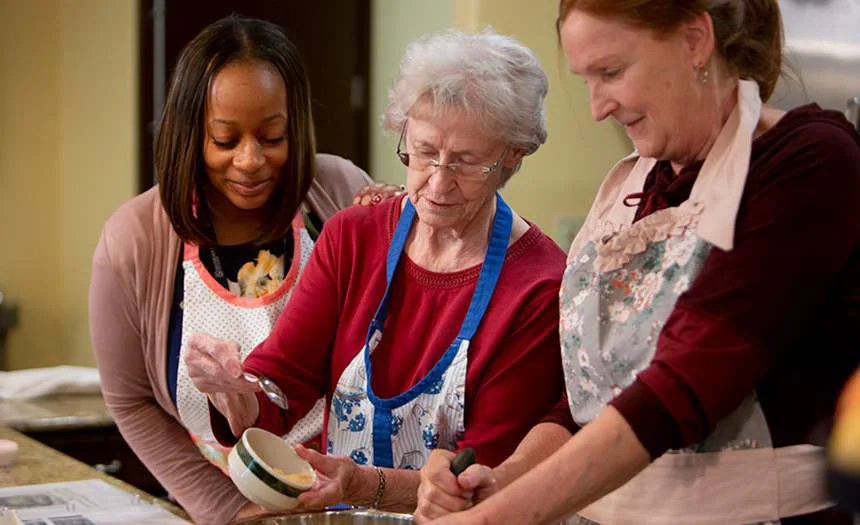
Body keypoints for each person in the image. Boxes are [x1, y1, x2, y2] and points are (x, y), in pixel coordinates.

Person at [415, 1, 860, 524]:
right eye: (586, 79)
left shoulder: (812, 163)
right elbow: (589, 397)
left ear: (695, 40)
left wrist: (499, 519)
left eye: (611, 72)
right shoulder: (638, 184)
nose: (598, 107)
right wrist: (504, 480)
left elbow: (683, 386)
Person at [184, 28, 566, 514]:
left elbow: (483, 480)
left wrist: (360, 484)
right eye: (424, 152)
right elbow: (282, 384)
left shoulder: (538, 285)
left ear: (512, 157)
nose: (437, 183)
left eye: (466, 163)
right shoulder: (353, 237)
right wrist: (236, 390)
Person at [88, 16, 400, 525]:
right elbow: (130, 402)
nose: (251, 160)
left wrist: (393, 223)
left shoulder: (339, 190)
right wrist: (228, 509)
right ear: (189, 134)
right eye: (225, 140)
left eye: (272, 136)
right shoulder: (133, 240)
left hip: (356, 495)